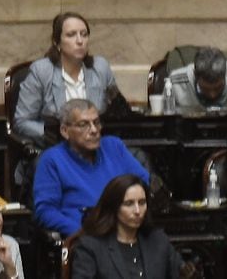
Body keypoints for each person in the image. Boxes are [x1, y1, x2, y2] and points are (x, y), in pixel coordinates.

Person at [32, 100, 149, 236]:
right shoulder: (52, 160)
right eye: (84, 125)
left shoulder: (114, 146)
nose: (94, 130)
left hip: (125, 230)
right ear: (65, 131)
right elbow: (45, 211)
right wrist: (81, 233)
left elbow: (143, 182)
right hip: (84, 237)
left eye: (97, 122)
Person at [13, 12, 118, 145]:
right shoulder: (41, 71)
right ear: (57, 43)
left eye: (84, 34)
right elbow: (22, 122)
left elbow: (118, 113)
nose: (80, 41)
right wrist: (52, 133)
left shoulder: (100, 68)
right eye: (71, 35)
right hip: (57, 146)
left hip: (96, 145)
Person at [71, 175, 181, 279]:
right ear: (114, 206)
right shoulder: (91, 246)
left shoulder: (158, 240)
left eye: (142, 203)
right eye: (129, 204)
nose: (138, 211)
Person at [163, 47, 227, 116]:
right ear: (195, 75)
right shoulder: (175, 82)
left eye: (218, 88)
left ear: (225, 76)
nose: (212, 95)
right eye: (206, 89)